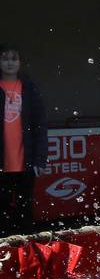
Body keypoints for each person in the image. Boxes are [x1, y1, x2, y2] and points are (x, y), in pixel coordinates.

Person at [0, 44, 48, 236]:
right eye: (4, 58)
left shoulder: (29, 88)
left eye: (14, 58)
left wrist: (40, 159)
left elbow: (40, 126)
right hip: (2, 164)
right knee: (1, 210)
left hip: (25, 163)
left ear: (20, 62)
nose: (9, 62)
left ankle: (26, 254)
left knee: (24, 209)